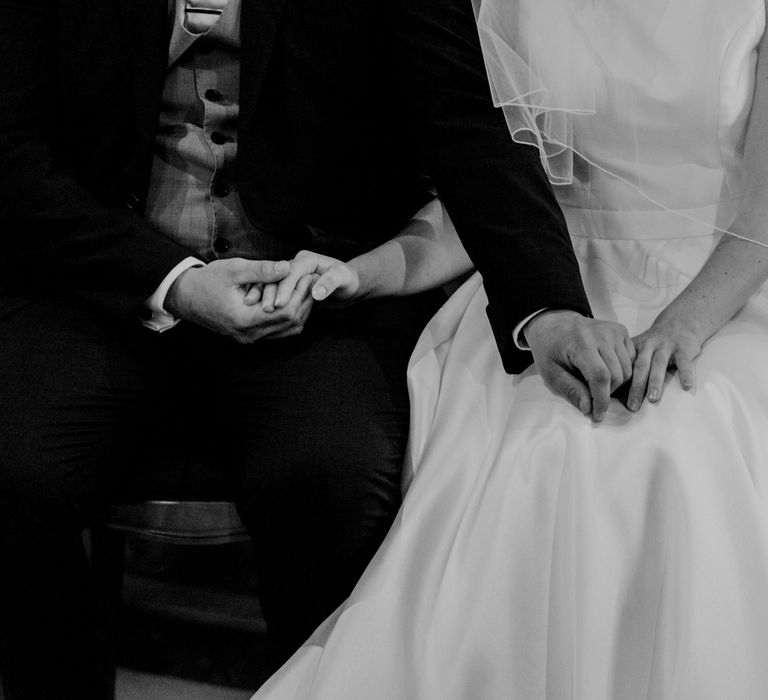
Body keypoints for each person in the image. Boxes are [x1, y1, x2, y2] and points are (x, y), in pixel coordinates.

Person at [0, 0, 629, 698]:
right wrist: (172, 282)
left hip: (319, 298)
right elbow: (12, 150)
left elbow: (464, 119)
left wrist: (546, 307)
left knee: (332, 479)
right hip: (104, 287)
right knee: (13, 466)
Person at [249, 0, 768, 698]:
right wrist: (363, 273)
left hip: (726, 289)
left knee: (673, 451)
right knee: (545, 440)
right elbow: (491, 200)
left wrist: (681, 327)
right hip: (551, 289)